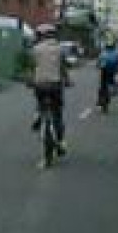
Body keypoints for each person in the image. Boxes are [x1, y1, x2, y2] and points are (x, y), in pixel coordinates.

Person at [31, 24, 68, 155]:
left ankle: (38, 116)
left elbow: (33, 67)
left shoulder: (36, 49)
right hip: (55, 85)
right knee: (57, 113)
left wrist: (30, 80)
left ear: (41, 35)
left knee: (40, 102)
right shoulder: (60, 49)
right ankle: (61, 141)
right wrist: (67, 80)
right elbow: (62, 68)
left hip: (40, 85)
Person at [96, 40, 118, 108]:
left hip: (104, 71)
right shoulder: (117, 53)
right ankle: (114, 90)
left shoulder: (102, 53)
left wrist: (98, 66)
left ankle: (100, 100)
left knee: (102, 86)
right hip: (113, 72)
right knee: (113, 82)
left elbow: (98, 64)